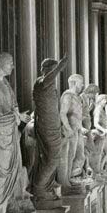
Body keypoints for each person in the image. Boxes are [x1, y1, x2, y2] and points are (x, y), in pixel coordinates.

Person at [0, 52, 31, 213]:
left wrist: (20, 116)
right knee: (1, 173)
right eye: (10, 62)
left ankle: (6, 207)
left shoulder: (4, 82)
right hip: (1, 135)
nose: (12, 66)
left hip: (11, 132)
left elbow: (11, 108)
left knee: (13, 171)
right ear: (0, 64)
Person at [30, 55, 68, 201]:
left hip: (52, 125)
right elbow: (49, 78)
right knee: (53, 158)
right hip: (47, 126)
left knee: (49, 158)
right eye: (52, 71)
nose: (54, 75)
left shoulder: (48, 83)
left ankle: (45, 185)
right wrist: (59, 67)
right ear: (47, 70)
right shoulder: (42, 82)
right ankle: (39, 188)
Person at [57, 74, 88, 190]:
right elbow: (62, 113)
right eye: (81, 83)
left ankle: (72, 177)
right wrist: (68, 128)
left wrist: (81, 127)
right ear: (74, 83)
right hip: (70, 131)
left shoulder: (77, 97)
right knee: (69, 156)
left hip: (77, 130)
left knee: (80, 155)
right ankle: (66, 181)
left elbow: (78, 116)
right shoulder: (67, 96)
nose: (83, 86)